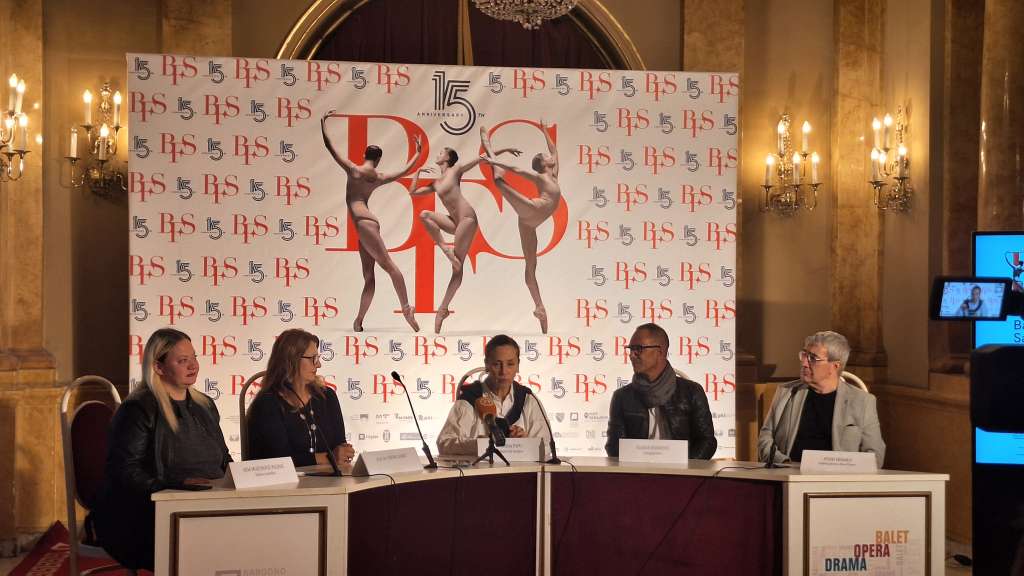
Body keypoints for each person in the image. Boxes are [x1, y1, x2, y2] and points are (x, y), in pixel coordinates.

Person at [91, 328, 230, 571]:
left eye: (194, 358)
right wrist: (175, 485)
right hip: (148, 514)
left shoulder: (205, 405)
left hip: (208, 503)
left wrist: (240, 479)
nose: (193, 366)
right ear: (158, 367)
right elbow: (124, 472)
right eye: (183, 361)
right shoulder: (137, 409)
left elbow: (224, 459)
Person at [322, 110, 422, 332]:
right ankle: (359, 320)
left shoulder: (353, 170)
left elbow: (330, 147)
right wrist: (417, 153)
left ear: (364, 154)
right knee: (369, 277)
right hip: (365, 224)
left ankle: (407, 309)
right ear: (378, 160)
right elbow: (405, 171)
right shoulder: (378, 176)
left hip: (364, 223)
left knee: (389, 265)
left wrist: (323, 123)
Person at [409, 143, 522, 333]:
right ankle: (445, 248)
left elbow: (482, 157)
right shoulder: (436, 183)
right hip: (454, 222)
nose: (437, 154)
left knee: (457, 268)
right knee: (424, 215)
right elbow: (413, 192)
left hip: (467, 219)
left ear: (447, 158)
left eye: (441, 152)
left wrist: (505, 149)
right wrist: (418, 172)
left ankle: (442, 310)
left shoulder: (456, 170)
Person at [757, 331, 886, 467]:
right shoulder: (786, 392)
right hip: (788, 472)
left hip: (837, 477)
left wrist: (844, 471)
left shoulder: (863, 401)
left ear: (835, 366)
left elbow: (875, 455)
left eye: (813, 358)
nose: (804, 363)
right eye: (804, 355)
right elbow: (765, 437)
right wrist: (784, 463)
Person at [479, 121, 560, 333]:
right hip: (531, 209)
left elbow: (553, 148)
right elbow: (516, 169)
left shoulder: (553, 174)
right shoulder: (540, 176)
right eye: (546, 156)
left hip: (530, 223)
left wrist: (544, 130)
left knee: (531, 266)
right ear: (543, 164)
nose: (551, 156)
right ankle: (489, 147)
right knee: (499, 182)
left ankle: (540, 308)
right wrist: (493, 160)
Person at [606, 323, 718, 459]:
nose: (632, 355)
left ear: (660, 352)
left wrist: (687, 467)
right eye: (630, 349)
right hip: (637, 470)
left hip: (682, 471)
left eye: (638, 349)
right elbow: (614, 447)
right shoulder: (622, 397)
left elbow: (707, 441)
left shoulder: (692, 392)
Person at [247, 328, 355, 467]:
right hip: (281, 480)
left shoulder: (327, 396)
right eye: (313, 359)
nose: (319, 364)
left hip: (327, 478)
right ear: (291, 360)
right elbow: (278, 460)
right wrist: (329, 458)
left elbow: (339, 445)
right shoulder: (267, 403)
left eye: (318, 358)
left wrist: (344, 453)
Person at [437, 334, 552, 456]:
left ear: (518, 366)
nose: (504, 371)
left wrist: (524, 443)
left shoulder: (528, 399)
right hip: (479, 468)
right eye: (497, 364)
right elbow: (444, 443)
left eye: (510, 364)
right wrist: (481, 445)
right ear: (486, 364)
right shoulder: (470, 399)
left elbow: (547, 446)